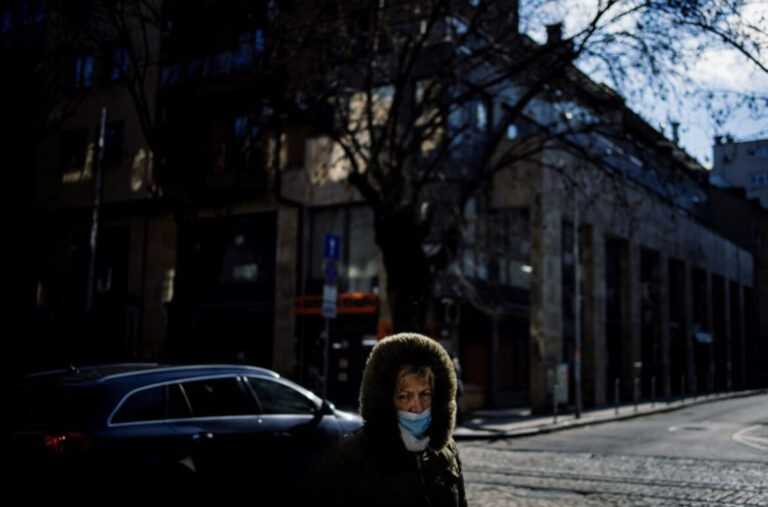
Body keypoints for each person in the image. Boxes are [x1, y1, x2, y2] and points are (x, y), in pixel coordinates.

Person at [316, 332, 468, 507]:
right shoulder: (351, 457)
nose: (416, 406)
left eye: (425, 394)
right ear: (386, 399)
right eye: (404, 396)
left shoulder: (447, 451)